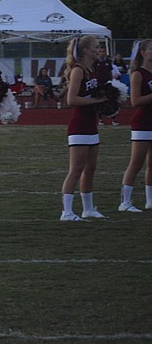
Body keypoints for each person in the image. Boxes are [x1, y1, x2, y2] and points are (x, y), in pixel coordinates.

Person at [60, 35, 107, 221]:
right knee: (76, 169)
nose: (99, 50)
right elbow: (71, 100)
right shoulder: (78, 70)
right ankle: (67, 212)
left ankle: (88, 209)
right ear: (86, 50)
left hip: (91, 124)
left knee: (90, 168)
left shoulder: (91, 69)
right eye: (96, 47)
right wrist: (98, 100)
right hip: (78, 126)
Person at [118, 39, 152, 212]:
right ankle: (125, 202)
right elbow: (135, 101)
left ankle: (149, 201)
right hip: (142, 124)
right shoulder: (138, 73)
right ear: (143, 53)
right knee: (136, 163)